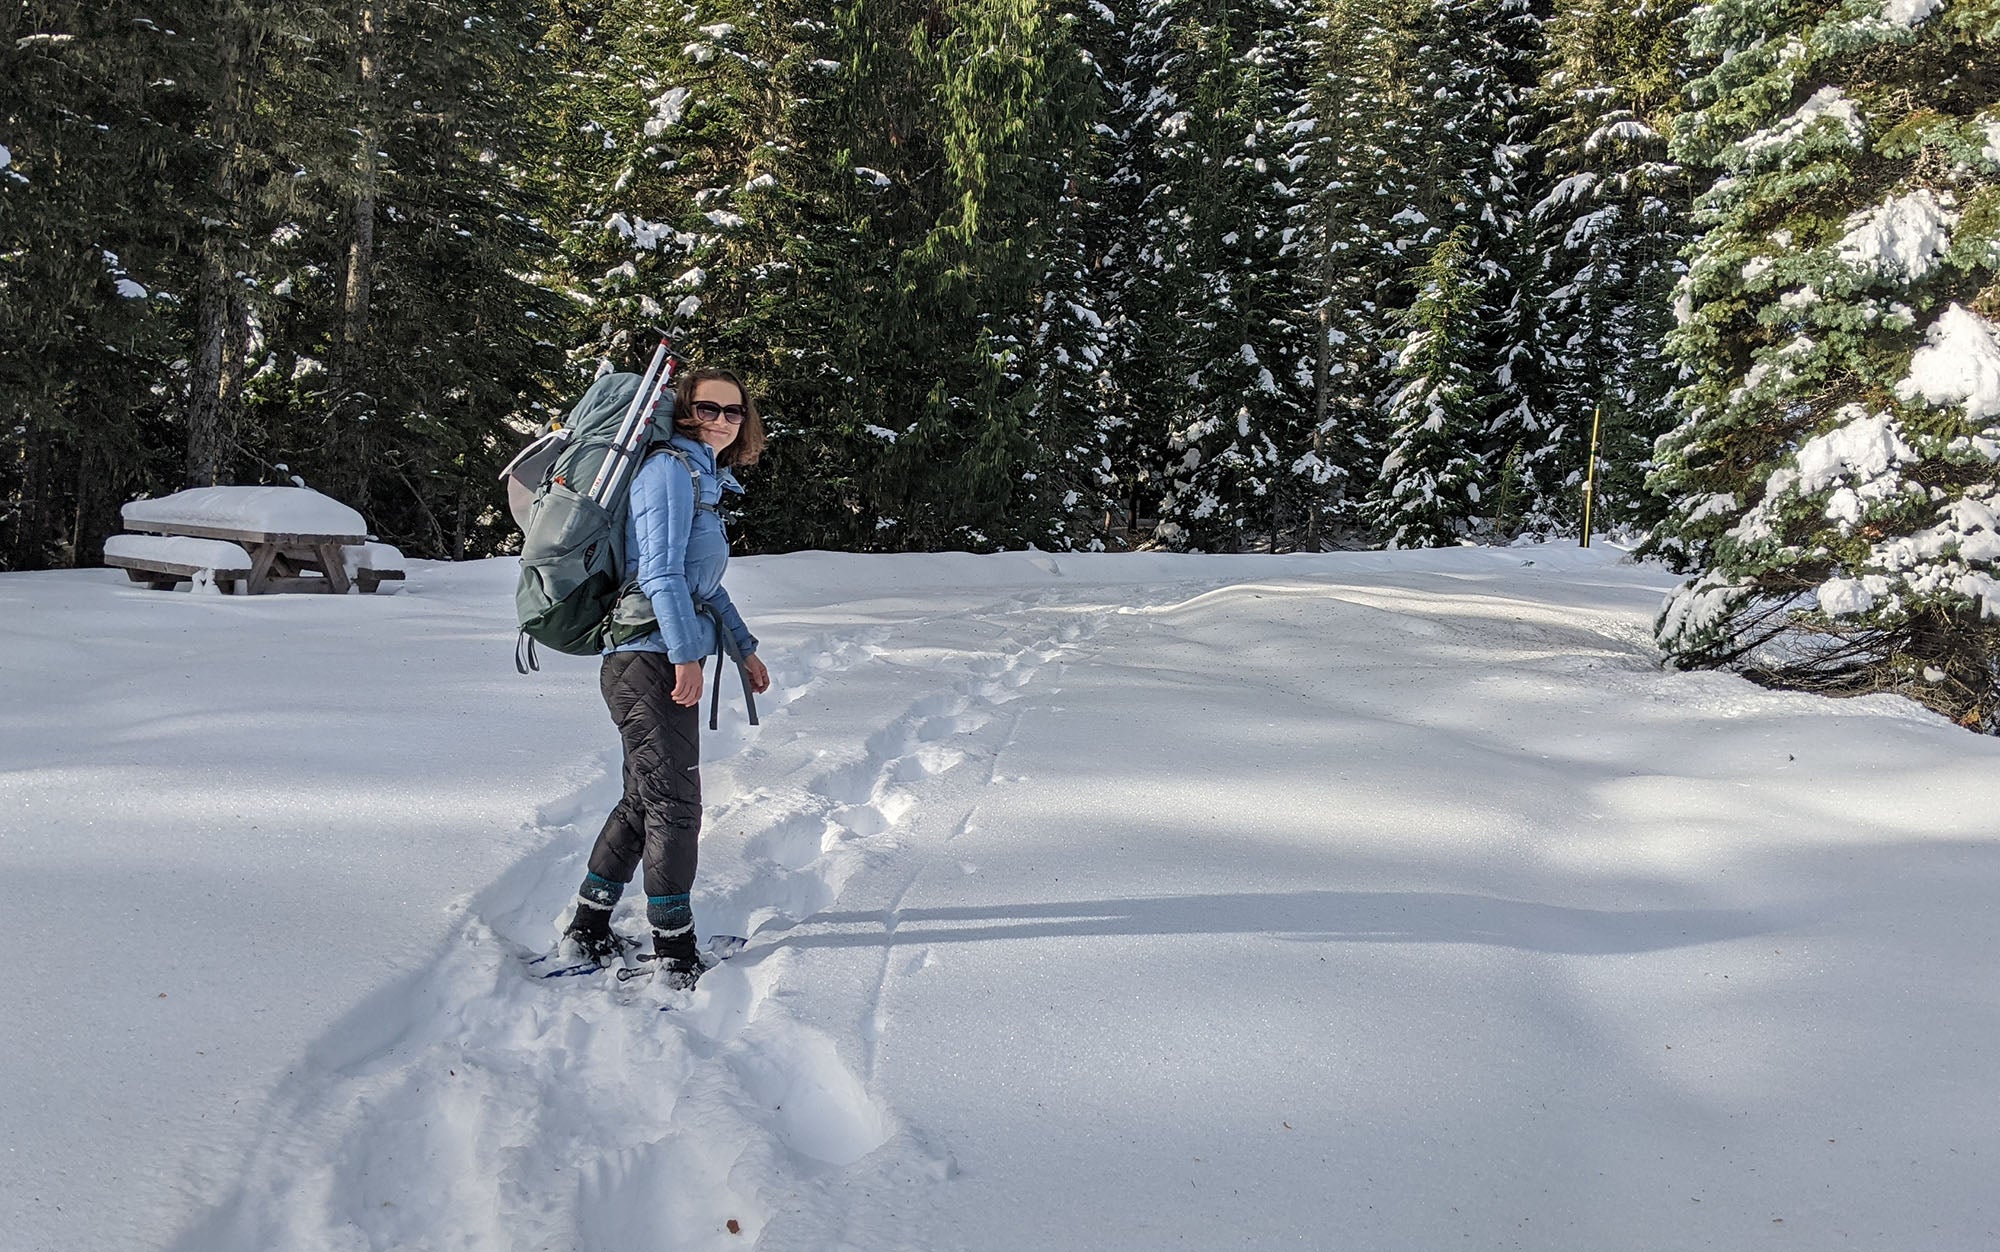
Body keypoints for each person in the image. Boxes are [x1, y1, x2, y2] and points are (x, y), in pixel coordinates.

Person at [562, 366, 772, 988]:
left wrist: (744, 649)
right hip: (647, 661)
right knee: (675, 805)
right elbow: (660, 575)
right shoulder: (669, 471)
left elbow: (703, 583)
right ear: (683, 411)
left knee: (644, 799)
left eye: (734, 411)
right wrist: (684, 656)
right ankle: (675, 953)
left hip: (654, 656)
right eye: (709, 409)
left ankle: (587, 928)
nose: (723, 421)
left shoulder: (702, 476)